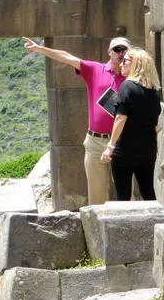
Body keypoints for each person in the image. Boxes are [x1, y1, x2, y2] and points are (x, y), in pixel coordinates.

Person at [23, 36, 131, 205]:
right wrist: (39, 49)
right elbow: (66, 57)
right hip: (96, 141)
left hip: (123, 141)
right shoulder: (95, 70)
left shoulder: (133, 78)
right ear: (109, 52)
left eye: (124, 50)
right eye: (117, 49)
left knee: (126, 194)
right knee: (97, 196)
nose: (120, 53)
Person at [100, 48, 161, 201]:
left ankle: (123, 225)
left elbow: (121, 118)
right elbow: (155, 124)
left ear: (135, 64)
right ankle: (156, 222)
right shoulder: (154, 91)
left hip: (126, 148)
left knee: (123, 195)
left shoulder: (127, 86)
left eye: (125, 61)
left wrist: (110, 146)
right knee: (148, 191)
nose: (121, 64)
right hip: (148, 147)